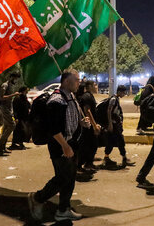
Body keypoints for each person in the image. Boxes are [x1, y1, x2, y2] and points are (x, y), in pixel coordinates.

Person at [28, 69, 91, 222]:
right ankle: (37, 198)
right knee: (63, 178)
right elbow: (53, 129)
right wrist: (65, 146)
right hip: (60, 146)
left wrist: (82, 123)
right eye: (76, 79)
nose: (79, 82)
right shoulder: (56, 100)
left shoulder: (71, 97)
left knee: (70, 179)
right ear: (67, 81)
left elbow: (69, 121)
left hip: (72, 144)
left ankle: (63, 210)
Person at [103, 85, 135, 167]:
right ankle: (124, 158)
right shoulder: (114, 99)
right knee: (120, 141)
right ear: (120, 92)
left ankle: (107, 158)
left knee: (111, 141)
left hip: (115, 125)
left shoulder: (116, 99)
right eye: (124, 92)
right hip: (113, 125)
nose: (124, 94)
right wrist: (110, 124)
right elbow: (108, 111)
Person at [0, 72, 21, 156]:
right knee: (12, 125)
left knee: (6, 127)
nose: (16, 80)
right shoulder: (4, 85)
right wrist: (14, 94)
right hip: (4, 108)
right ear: (11, 77)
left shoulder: (10, 85)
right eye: (15, 78)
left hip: (8, 109)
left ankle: (2, 148)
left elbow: (9, 99)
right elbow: (1, 98)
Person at [78, 80, 101, 172]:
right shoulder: (87, 96)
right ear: (90, 86)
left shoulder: (90, 96)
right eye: (95, 85)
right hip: (87, 126)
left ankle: (89, 163)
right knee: (87, 146)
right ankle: (80, 165)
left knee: (93, 145)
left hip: (90, 125)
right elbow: (87, 111)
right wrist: (94, 125)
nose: (96, 86)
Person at [9, 86, 31, 150]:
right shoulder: (17, 98)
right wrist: (16, 118)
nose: (27, 91)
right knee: (19, 131)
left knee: (20, 131)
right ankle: (19, 144)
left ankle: (16, 144)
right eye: (26, 90)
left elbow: (27, 105)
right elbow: (15, 109)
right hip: (19, 117)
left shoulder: (24, 97)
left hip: (24, 117)